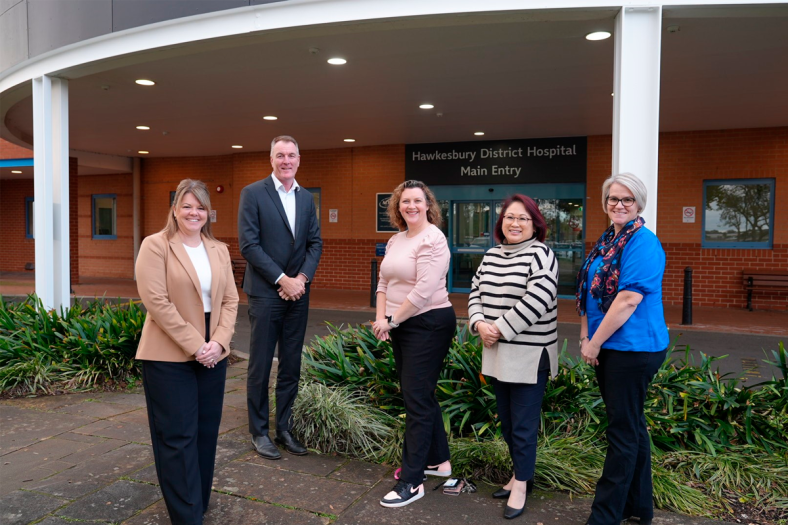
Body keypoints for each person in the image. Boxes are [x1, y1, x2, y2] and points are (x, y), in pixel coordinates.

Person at [135, 178, 238, 524]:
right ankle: (187, 515)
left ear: (209, 212)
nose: (194, 212)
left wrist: (220, 343)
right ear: (175, 210)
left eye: (201, 207)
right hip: (168, 355)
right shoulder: (156, 246)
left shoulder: (219, 250)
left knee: (206, 433)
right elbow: (157, 303)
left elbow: (230, 300)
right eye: (187, 206)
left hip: (213, 353)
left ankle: (199, 502)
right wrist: (197, 345)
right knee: (177, 437)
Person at [577, 172, 669, 525]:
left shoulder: (643, 242)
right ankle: (638, 508)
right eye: (613, 199)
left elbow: (628, 299)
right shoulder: (607, 242)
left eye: (627, 199)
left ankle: (604, 517)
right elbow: (588, 294)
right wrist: (587, 336)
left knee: (622, 433)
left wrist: (595, 342)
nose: (618, 204)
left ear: (639, 204)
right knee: (631, 426)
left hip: (634, 349)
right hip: (609, 347)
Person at [467, 194, 558, 520]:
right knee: (508, 424)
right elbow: (474, 292)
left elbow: (539, 300)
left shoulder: (542, 255)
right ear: (500, 222)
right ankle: (521, 474)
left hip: (529, 356)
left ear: (535, 223)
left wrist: (499, 329)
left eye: (522, 218)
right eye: (509, 217)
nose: (515, 223)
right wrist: (478, 323)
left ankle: (521, 485)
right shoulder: (491, 255)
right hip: (497, 353)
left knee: (522, 427)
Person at [372, 179, 456, 508]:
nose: (411, 206)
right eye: (405, 201)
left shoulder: (434, 239)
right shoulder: (395, 239)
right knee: (418, 394)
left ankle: (413, 480)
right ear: (398, 207)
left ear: (427, 205)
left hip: (429, 323)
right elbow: (382, 282)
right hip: (401, 324)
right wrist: (382, 320)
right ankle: (438, 462)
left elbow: (423, 291)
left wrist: (392, 320)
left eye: (417, 201)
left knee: (417, 399)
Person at [238, 135, 323, 460]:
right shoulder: (253, 193)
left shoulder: (306, 198)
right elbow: (249, 245)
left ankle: (283, 428)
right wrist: (282, 279)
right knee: (259, 365)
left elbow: (314, 243)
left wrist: (300, 279)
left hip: (298, 294)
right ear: (271, 159)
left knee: (291, 364)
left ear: (299, 159)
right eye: (280, 155)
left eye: (291, 155)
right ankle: (259, 431)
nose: (286, 160)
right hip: (265, 292)